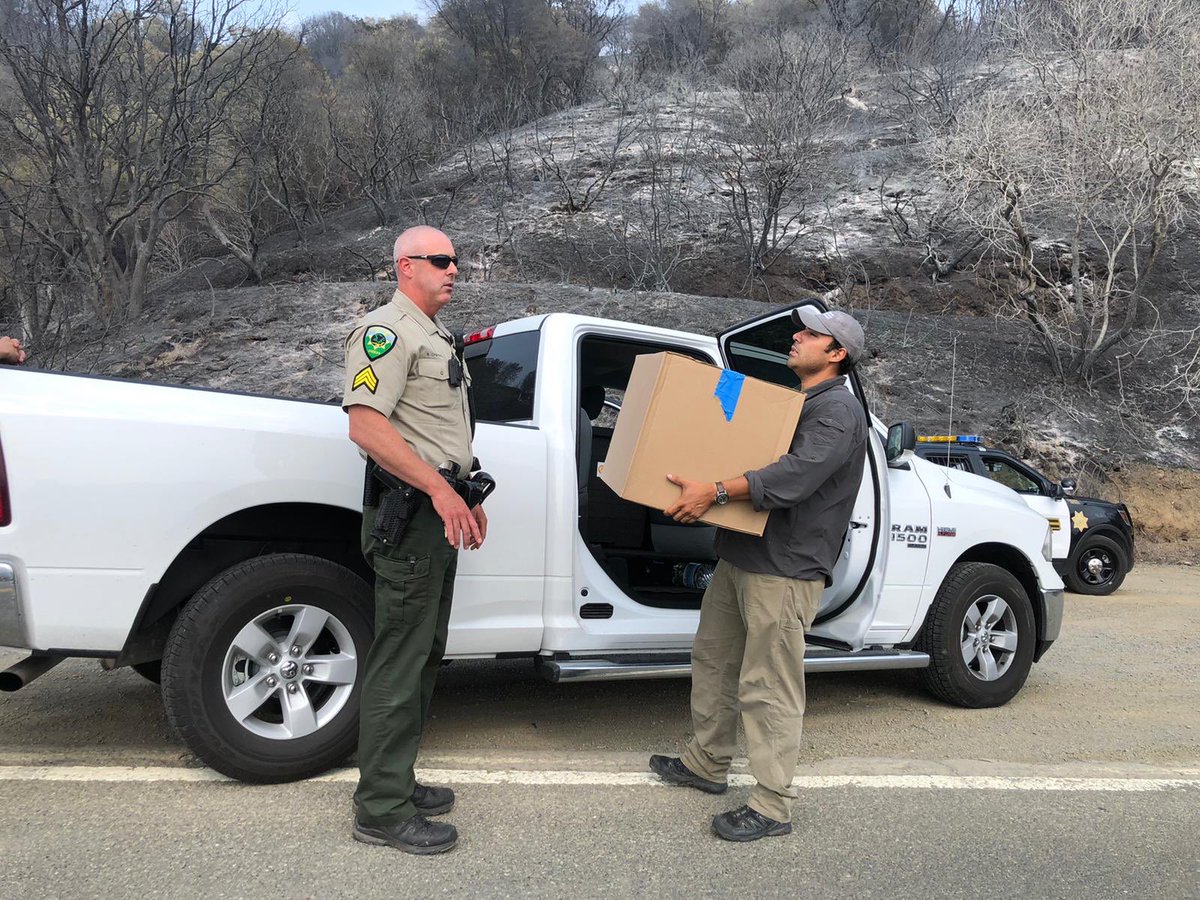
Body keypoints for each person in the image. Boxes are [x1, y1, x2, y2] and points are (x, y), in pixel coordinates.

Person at [649, 307, 868, 842]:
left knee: (768, 685)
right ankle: (708, 762)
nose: (797, 336)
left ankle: (772, 805)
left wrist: (717, 491)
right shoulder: (796, 403)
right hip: (745, 555)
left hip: (786, 568)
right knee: (716, 660)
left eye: (812, 334)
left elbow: (795, 477)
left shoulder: (838, 411)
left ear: (836, 354)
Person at [343, 226, 486, 855]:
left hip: (436, 513)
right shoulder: (386, 331)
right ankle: (380, 808)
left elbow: (437, 432)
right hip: (409, 517)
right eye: (441, 260)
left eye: (456, 261)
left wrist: (463, 496)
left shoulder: (434, 335)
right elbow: (367, 426)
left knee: (425, 654)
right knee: (400, 659)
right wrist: (440, 491)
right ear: (406, 267)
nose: (454, 269)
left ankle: (394, 778)